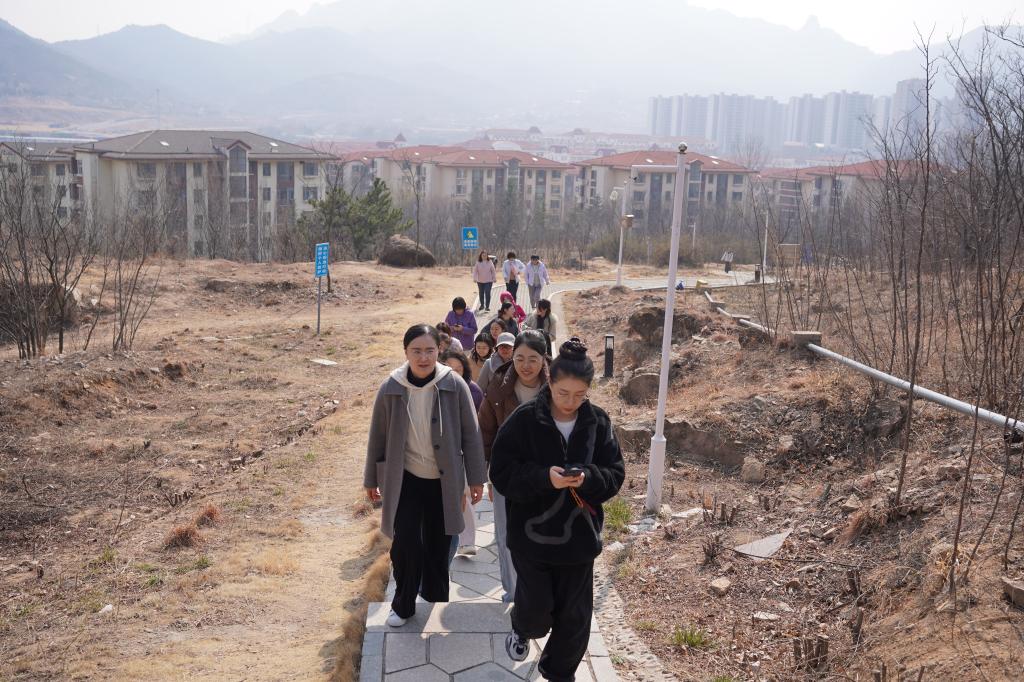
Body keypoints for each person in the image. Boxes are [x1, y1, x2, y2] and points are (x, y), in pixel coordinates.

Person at [490, 338, 625, 679]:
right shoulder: (524, 420)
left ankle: (559, 673)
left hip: (579, 539)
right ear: (549, 382)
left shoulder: (598, 422)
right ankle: (522, 626)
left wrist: (588, 478)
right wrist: (543, 478)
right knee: (536, 613)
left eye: (580, 395)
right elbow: (502, 473)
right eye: (563, 393)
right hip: (531, 538)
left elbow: (615, 474)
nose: (570, 402)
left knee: (574, 620)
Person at [363, 325, 487, 627]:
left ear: (438, 351)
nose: (423, 357)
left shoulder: (453, 384)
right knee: (405, 545)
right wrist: (370, 479)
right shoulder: (391, 387)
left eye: (429, 350)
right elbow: (377, 436)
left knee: (439, 543)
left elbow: (471, 434)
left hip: (444, 480)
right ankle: (403, 605)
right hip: (404, 478)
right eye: (416, 351)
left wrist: (475, 479)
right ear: (406, 352)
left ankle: (433, 593)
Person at [478, 330, 550, 603]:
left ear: (544, 358)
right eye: (519, 358)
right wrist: (486, 475)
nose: (525, 366)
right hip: (506, 473)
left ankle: (539, 588)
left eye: (533, 359)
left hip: (546, 474)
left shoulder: (557, 385)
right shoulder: (499, 385)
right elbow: (486, 432)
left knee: (543, 531)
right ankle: (514, 589)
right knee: (507, 532)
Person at [441, 350, 485, 557]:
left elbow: (476, 428)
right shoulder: (433, 390)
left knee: (464, 496)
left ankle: (467, 542)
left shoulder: (473, 390)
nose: (454, 373)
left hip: (463, 453)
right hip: (442, 455)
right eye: (449, 369)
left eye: (458, 369)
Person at [477, 332, 515, 406]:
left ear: (514, 348)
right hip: (493, 405)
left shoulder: (519, 364)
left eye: (508, 346)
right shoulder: (489, 363)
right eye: (501, 346)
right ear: (497, 348)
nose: (504, 349)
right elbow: (480, 388)